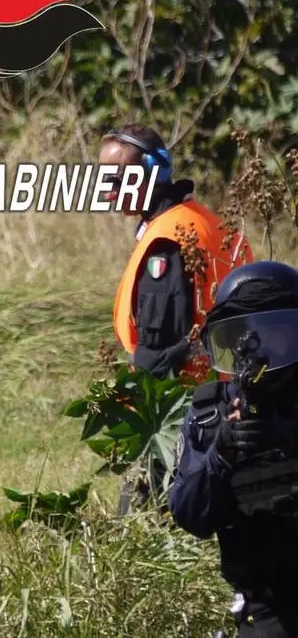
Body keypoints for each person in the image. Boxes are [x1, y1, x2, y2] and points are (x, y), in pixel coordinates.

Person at [168, 260, 298, 637]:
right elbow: (191, 516)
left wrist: (286, 437)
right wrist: (220, 456)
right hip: (265, 610)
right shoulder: (212, 413)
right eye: (243, 333)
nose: (258, 347)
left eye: (273, 331)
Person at [103, 124, 252, 382]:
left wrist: (140, 414)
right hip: (235, 392)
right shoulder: (214, 225)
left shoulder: (166, 242)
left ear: (154, 172)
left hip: (190, 404)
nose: (109, 193)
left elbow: (158, 356)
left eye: (118, 180)